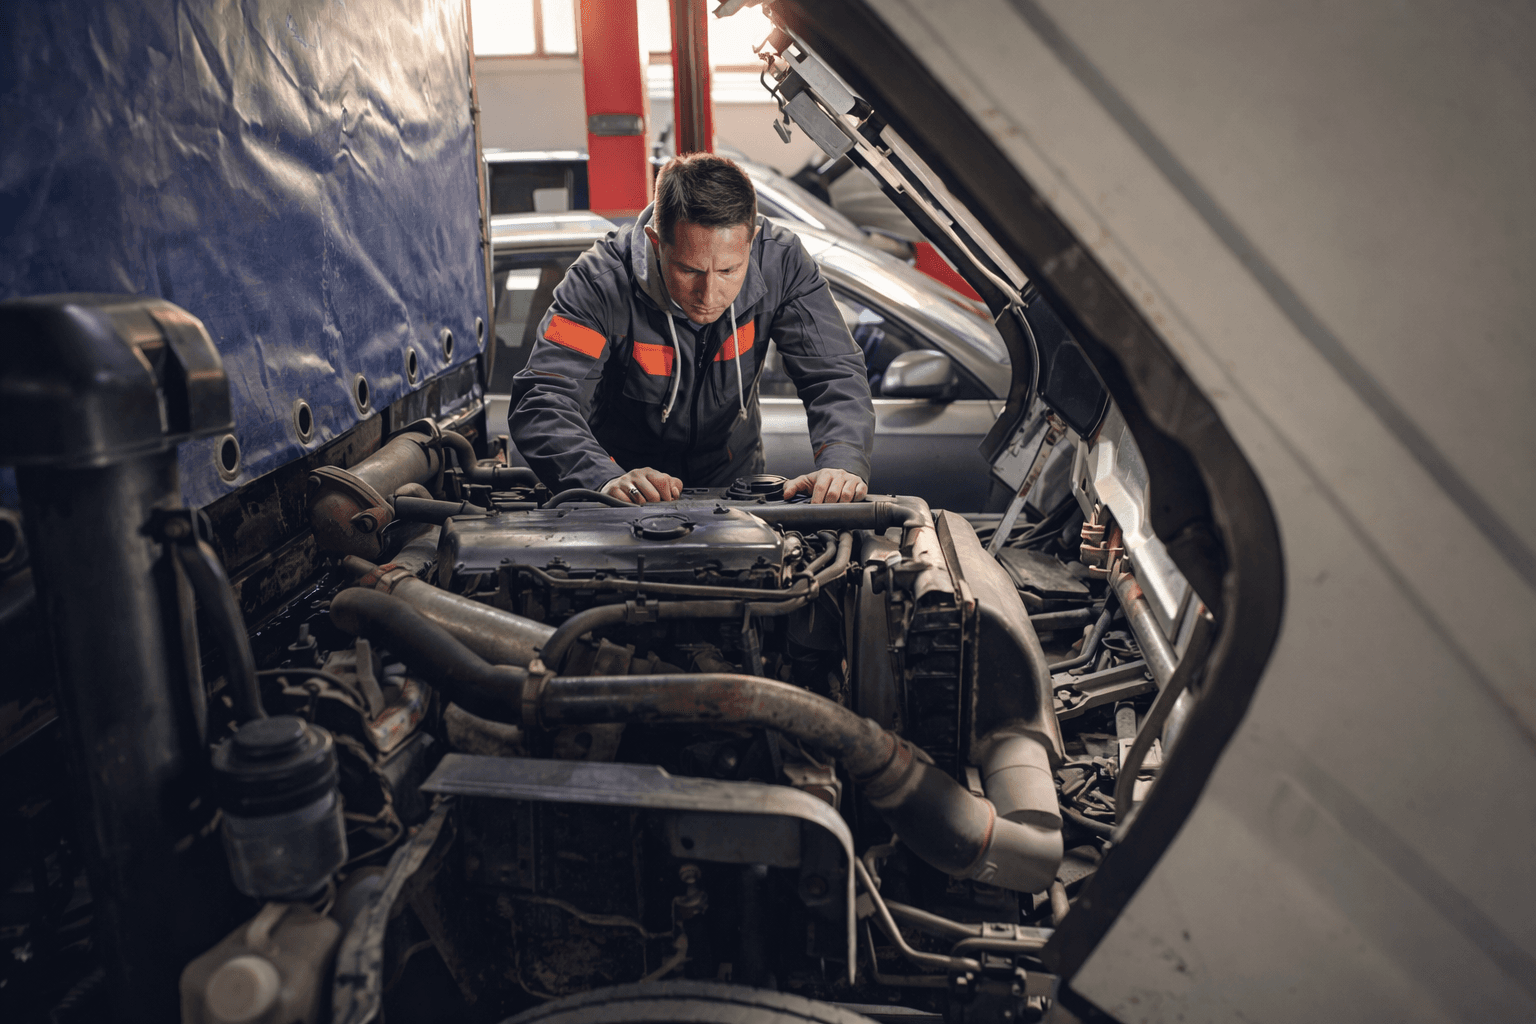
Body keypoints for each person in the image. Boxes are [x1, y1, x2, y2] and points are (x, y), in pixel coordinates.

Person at [508, 154, 875, 504]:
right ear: (656, 242)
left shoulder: (782, 262)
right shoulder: (599, 284)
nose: (709, 294)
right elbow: (543, 398)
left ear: (752, 241)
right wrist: (599, 478)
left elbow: (835, 372)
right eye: (690, 271)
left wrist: (842, 462)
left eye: (729, 271)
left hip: (735, 488)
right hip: (626, 495)